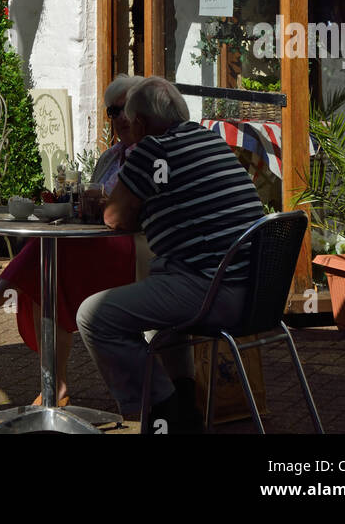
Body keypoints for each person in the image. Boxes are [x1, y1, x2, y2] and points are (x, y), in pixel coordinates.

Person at [76, 76, 264, 433]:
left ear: (141, 123)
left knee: (94, 317)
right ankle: (185, 403)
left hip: (213, 292)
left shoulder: (151, 150)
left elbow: (114, 217)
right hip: (256, 294)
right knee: (164, 293)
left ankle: (168, 410)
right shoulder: (211, 140)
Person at [0, 74, 140, 405]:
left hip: (137, 253)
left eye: (127, 108)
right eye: (113, 112)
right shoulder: (113, 156)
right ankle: (54, 387)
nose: (121, 118)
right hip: (98, 246)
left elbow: (129, 215)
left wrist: (103, 207)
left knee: (51, 258)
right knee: (48, 265)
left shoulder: (151, 154)